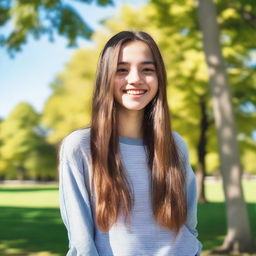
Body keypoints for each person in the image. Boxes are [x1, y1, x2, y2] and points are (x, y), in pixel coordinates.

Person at [59, 30, 202, 256]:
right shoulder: (81, 146)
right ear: (105, 77)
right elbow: (81, 240)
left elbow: (188, 224)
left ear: (159, 78)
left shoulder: (175, 145)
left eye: (147, 69)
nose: (135, 78)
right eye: (122, 70)